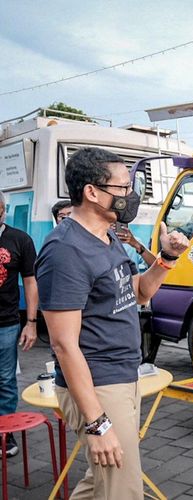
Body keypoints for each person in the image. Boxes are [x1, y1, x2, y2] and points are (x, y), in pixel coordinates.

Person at [35, 147, 189, 499]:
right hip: (100, 386)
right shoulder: (65, 250)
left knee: (100, 483)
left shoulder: (108, 237)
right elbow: (63, 344)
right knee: (124, 489)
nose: (130, 196)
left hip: (123, 375)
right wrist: (97, 422)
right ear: (92, 192)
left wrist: (166, 258)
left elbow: (138, 293)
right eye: (122, 189)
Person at [0, 191, 38, 458]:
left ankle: (4, 433)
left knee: (4, 380)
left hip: (6, 323)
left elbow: (30, 281)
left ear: (3, 209)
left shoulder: (19, 239)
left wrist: (32, 323)